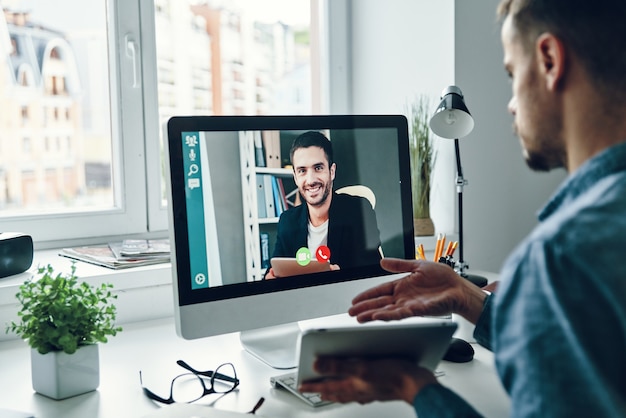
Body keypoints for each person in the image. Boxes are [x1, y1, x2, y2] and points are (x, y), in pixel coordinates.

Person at [300, 0, 626, 416]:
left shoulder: (561, 257)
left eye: (511, 73)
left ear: (549, 60)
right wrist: (466, 296)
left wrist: (413, 386)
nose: (510, 104)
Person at [264, 131, 382, 279]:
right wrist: (270, 279)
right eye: (302, 171)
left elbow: (374, 272)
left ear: (331, 172)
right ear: (295, 177)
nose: (311, 179)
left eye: (318, 168)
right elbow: (273, 268)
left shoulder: (359, 211)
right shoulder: (287, 220)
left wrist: (341, 277)